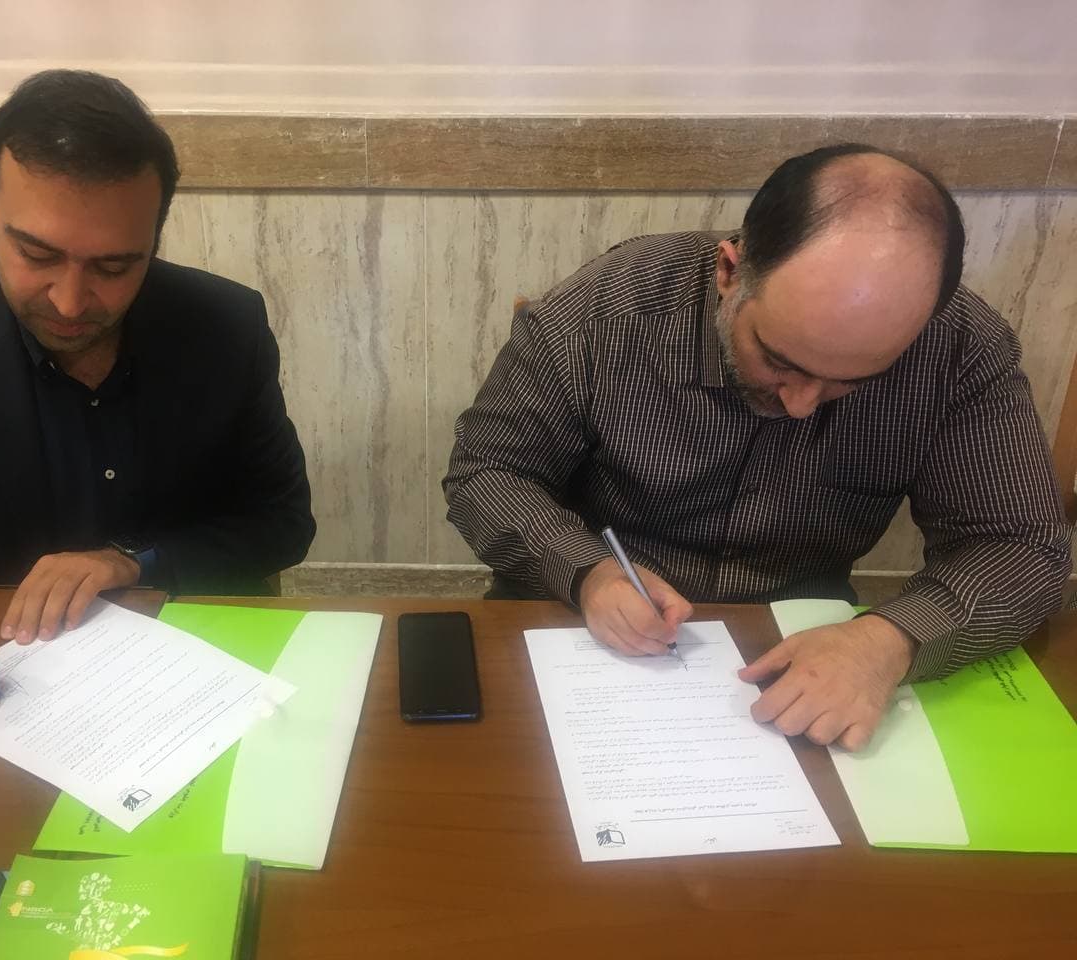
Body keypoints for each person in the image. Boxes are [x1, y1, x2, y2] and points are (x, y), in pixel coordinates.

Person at [444, 143, 1071, 750]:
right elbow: (489, 471)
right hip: (586, 627)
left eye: (854, 382)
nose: (801, 405)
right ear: (730, 273)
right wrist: (586, 570)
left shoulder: (958, 350)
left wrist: (888, 639)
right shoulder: (606, 313)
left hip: (807, 650)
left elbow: (1021, 546)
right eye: (778, 360)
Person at [0, 70, 316, 716]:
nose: (70, 303)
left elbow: (282, 521)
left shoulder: (225, 326)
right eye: (37, 256)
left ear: (154, 241)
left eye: (113, 266)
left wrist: (134, 560)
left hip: (194, 677)